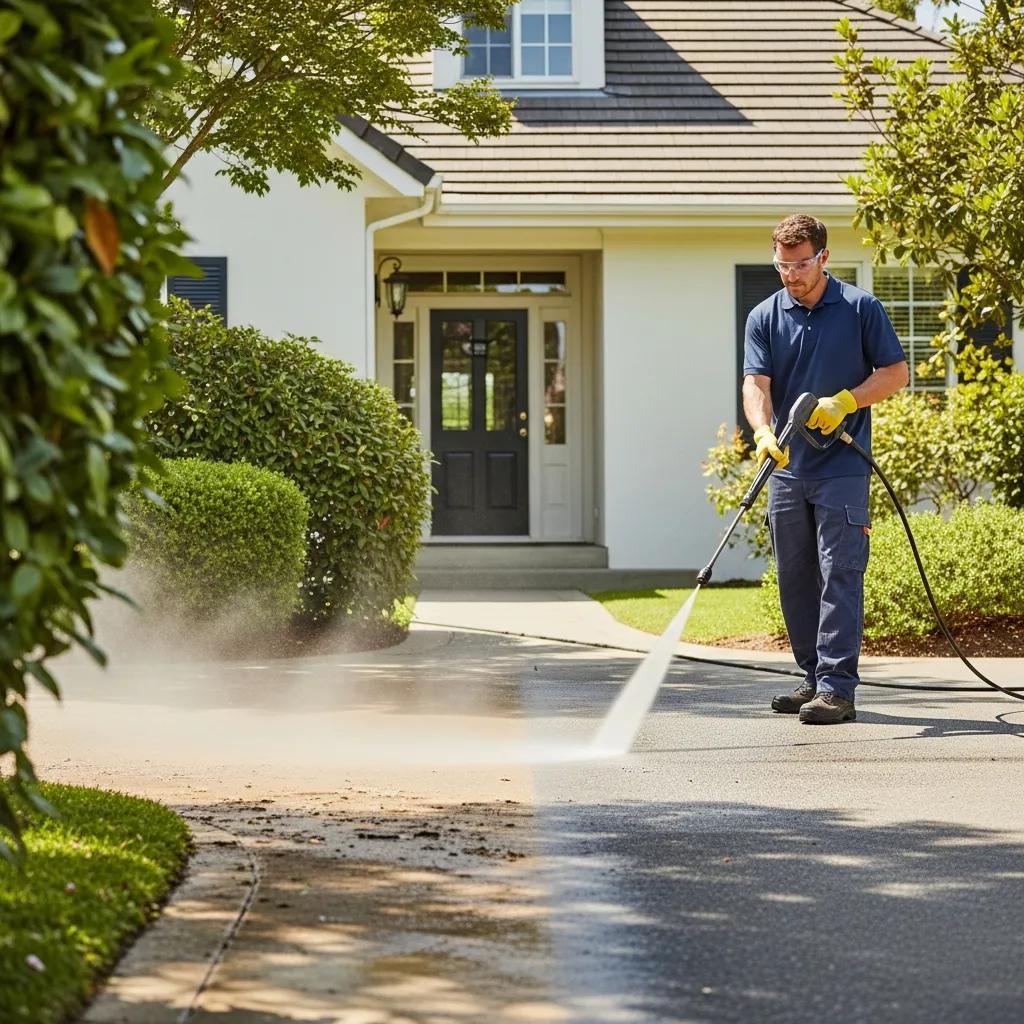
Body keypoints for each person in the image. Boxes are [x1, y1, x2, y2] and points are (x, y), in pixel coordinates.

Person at [743, 214, 909, 724]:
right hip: (789, 469)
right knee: (795, 577)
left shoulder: (861, 308)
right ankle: (812, 677)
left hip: (841, 467)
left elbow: (896, 373)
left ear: (824, 258)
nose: (790, 274)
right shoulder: (764, 316)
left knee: (840, 573)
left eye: (799, 264)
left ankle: (838, 689)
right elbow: (757, 385)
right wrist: (763, 432)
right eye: (782, 265)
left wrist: (847, 401)